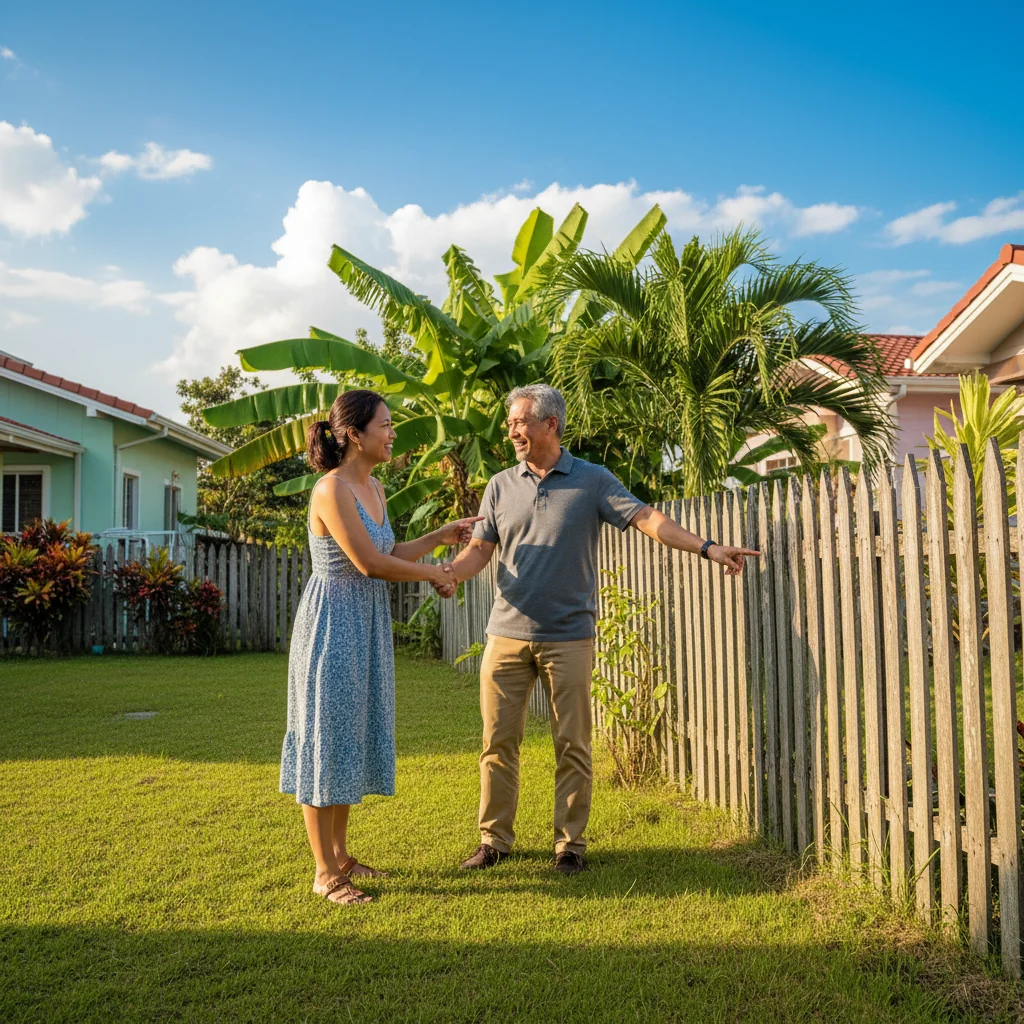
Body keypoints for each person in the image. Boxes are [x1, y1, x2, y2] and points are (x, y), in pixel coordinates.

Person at [436, 384, 758, 875]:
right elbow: (480, 549)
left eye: (520, 421)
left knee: (573, 743)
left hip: (568, 637)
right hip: (505, 633)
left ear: (550, 424)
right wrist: (452, 574)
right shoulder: (501, 484)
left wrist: (708, 547)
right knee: (497, 743)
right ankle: (494, 841)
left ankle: (570, 846)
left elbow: (648, 518)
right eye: (510, 423)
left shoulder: (592, 480)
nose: (511, 430)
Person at [282, 389, 481, 906]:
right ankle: (325, 872)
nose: (394, 434)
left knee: (350, 734)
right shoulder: (331, 490)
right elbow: (369, 563)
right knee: (326, 738)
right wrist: (435, 573)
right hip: (333, 624)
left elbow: (390, 551)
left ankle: (343, 855)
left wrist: (439, 536)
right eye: (386, 425)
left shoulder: (374, 487)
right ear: (354, 435)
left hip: (365, 624)